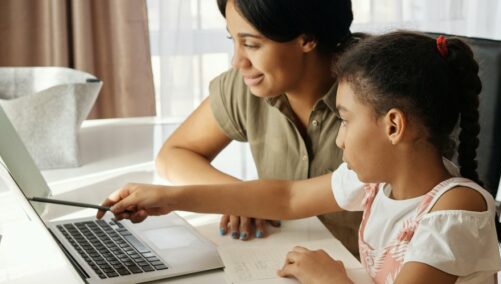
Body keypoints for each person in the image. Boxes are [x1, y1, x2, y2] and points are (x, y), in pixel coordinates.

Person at [99, 31, 501, 283]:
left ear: (393, 126)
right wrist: (168, 198)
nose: (339, 140)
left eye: (345, 120)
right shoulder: (376, 183)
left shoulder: (454, 211)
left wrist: (332, 278)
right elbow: (284, 198)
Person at [154, 0, 362, 252]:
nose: (237, 61)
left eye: (251, 44)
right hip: (286, 264)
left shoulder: (375, 96)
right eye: (233, 40)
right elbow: (172, 155)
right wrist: (242, 198)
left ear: (307, 38)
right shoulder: (248, 85)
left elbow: (289, 199)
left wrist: (248, 199)